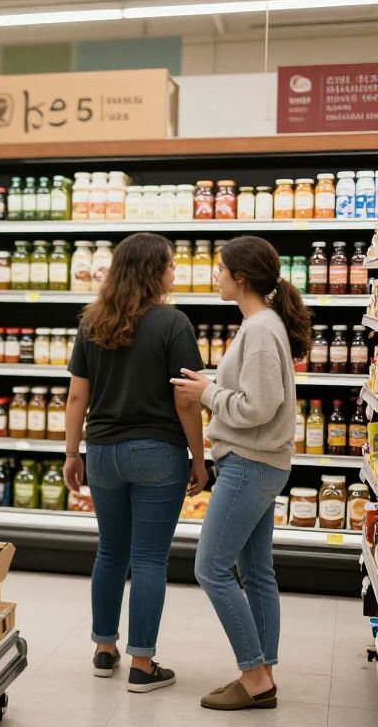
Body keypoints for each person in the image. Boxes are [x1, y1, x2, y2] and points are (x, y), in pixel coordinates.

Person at [171, 236, 311, 711]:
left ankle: (253, 675)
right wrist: (210, 386)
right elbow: (256, 394)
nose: (215, 275)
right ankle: (263, 674)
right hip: (260, 461)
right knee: (256, 571)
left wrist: (207, 394)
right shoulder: (261, 324)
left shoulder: (259, 329)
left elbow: (258, 405)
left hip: (250, 462)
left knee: (210, 567)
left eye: (220, 269)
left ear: (241, 277)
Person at [65, 232, 206, 693]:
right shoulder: (174, 323)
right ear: (152, 271)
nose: (173, 272)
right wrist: (199, 459)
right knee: (148, 559)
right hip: (156, 452)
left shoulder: (92, 321)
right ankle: (142, 665)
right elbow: (186, 402)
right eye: (168, 265)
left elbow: (76, 395)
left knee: (110, 551)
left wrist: (71, 452)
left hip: (102, 451)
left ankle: (104, 650)